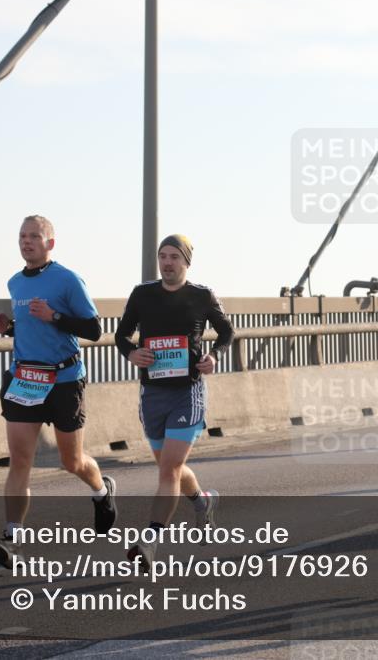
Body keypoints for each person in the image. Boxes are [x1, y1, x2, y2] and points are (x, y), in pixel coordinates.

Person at [0, 215, 116, 567]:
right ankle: (12, 537)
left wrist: (55, 316)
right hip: (25, 379)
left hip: (63, 380)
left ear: (50, 243)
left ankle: (101, 491)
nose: (26, 242)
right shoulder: (14, 282)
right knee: (20, 462)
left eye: (34, 236)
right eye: (22, 236)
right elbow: (28, 330)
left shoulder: (68, 280)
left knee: (71, 461)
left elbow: (92, 328)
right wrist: (7, 327)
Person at [115, 235, 234, 567]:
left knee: (168, 469)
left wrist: (214, 356)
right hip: (152, 393)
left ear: (186, 262)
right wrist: (131, 352)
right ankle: (203, 501)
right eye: (162, 256)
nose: (167, 262)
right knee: (171, 468)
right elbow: (121, 334)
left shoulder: (201, 296)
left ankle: (149, 542)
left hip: (188, 393)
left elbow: (227, 333)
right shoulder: (142, 294)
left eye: (174, 257)